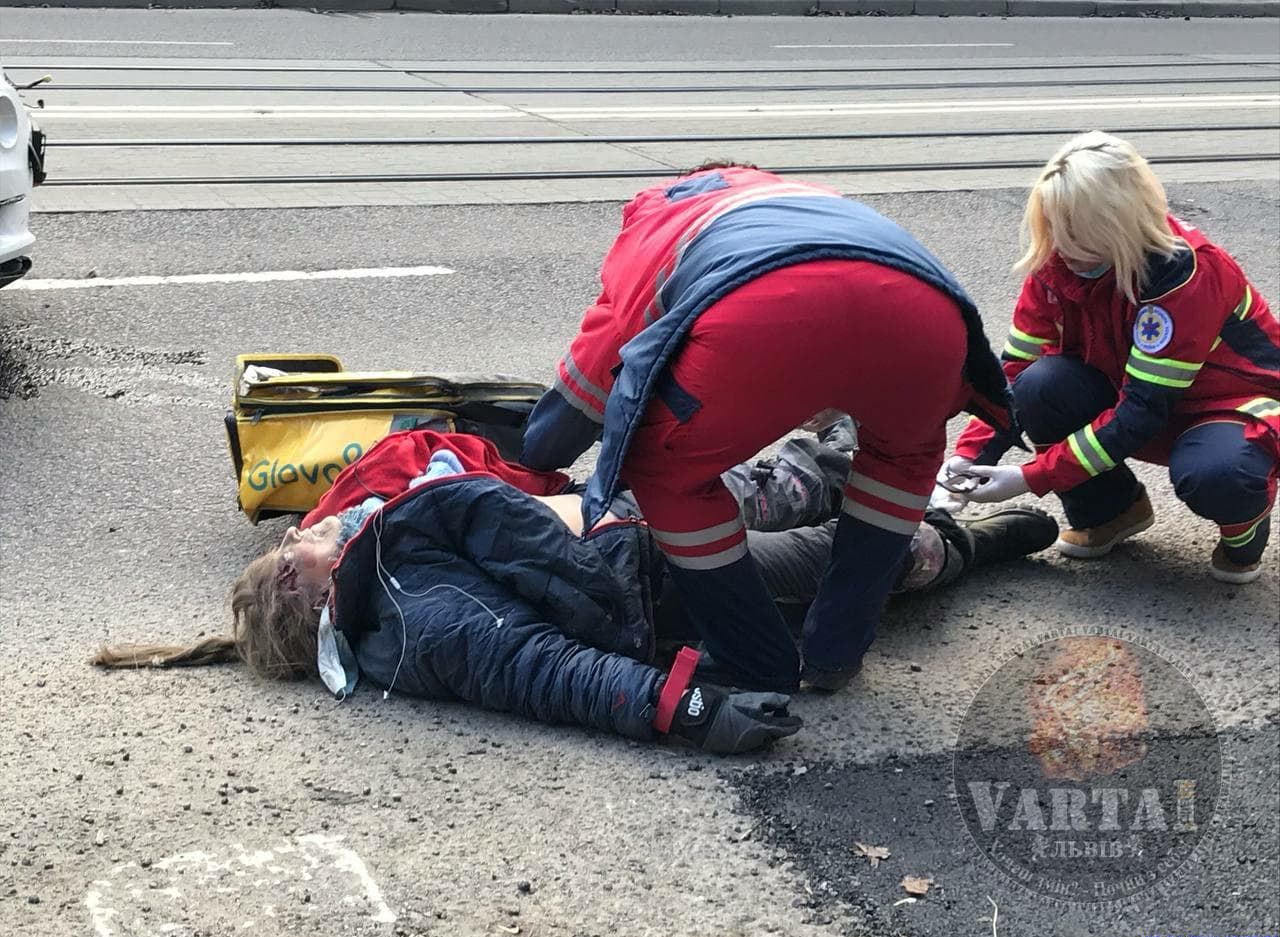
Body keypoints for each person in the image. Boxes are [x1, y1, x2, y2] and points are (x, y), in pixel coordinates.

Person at [92, 428, 1057, 754]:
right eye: (294, 554)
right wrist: (684, 710)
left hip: (626, 535)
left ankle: (894, 470)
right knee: (872, 562)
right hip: (664, 591)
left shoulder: (383, 552)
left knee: (796, 484)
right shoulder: (413, 619)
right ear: (309, 602)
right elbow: (540, 669)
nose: (308, 531)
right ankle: (976, 544)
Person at [520, 162, 1020, 693]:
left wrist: (537, 455)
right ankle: (837, 651)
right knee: (903, 461)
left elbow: (593, 378)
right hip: (924, 314)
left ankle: (754, 658)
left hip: (763, 318)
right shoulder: (800, 196)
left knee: (666, 473)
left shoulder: (657, 220)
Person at [936, 131, 1278, 585]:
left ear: (1122, 223)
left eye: (1081, 231)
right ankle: (1112, 511)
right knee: (1041, 386)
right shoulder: (1056, 260)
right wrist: (967, 457)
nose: (1066, 245)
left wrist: (1031, 478)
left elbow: (1140, 412)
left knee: (1220, 474)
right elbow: (1014, 375)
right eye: (1057, 226)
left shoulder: (1186, 275)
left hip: (1228, 408)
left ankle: (1244, 530)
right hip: (1131, 392)